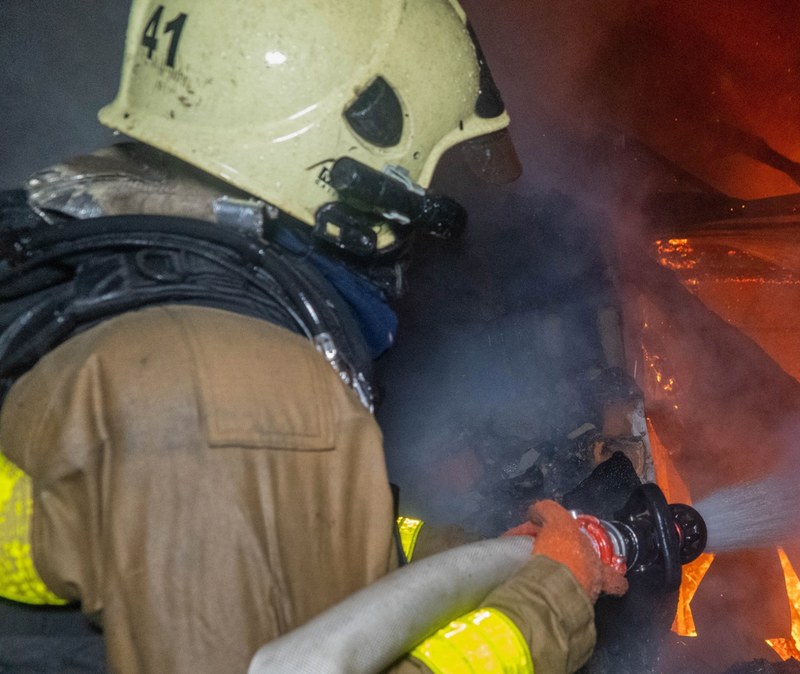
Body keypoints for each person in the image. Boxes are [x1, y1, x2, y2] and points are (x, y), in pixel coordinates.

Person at [0, 0, 624, 672]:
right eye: (418, 172)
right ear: (352, 151)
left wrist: (483, 557)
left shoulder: (127, 302)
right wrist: (548, 601)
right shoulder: (239, 393)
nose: (420, 206)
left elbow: (292, 540)